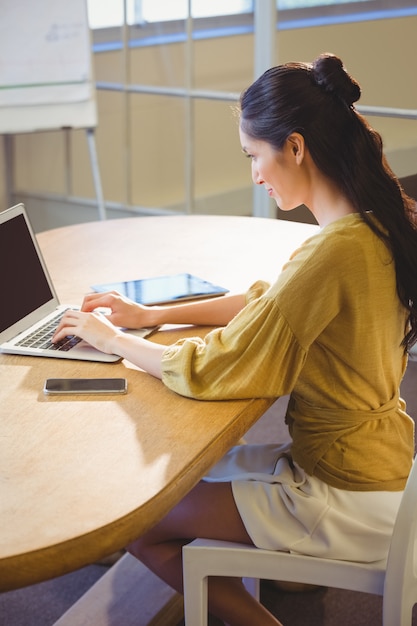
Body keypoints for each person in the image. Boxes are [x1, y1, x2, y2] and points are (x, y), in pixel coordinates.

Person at [53, 53, 417, 625]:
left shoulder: (334, 251)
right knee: (187, 480)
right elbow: (271, 304)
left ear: (294, 147)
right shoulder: (375, 222)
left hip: (339, 491)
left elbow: (219, 368)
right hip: (378, 466)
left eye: (254, 155)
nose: (254, 174)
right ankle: (265, 575)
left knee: (139, 524)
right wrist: (148, 316)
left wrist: (113, 339)